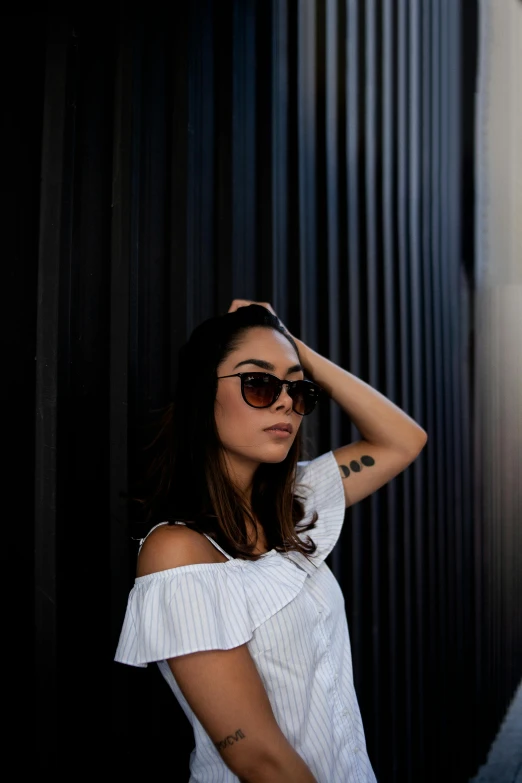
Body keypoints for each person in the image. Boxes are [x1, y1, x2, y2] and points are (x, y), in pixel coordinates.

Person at [114, 299, 427, 782]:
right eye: (258, 382)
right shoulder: (179, 553)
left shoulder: (292, 506)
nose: (285, 401)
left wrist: (291, 347)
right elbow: (258, 759)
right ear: (202, 394)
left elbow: (403, 440)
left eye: (298, 389)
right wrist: (280, 346)